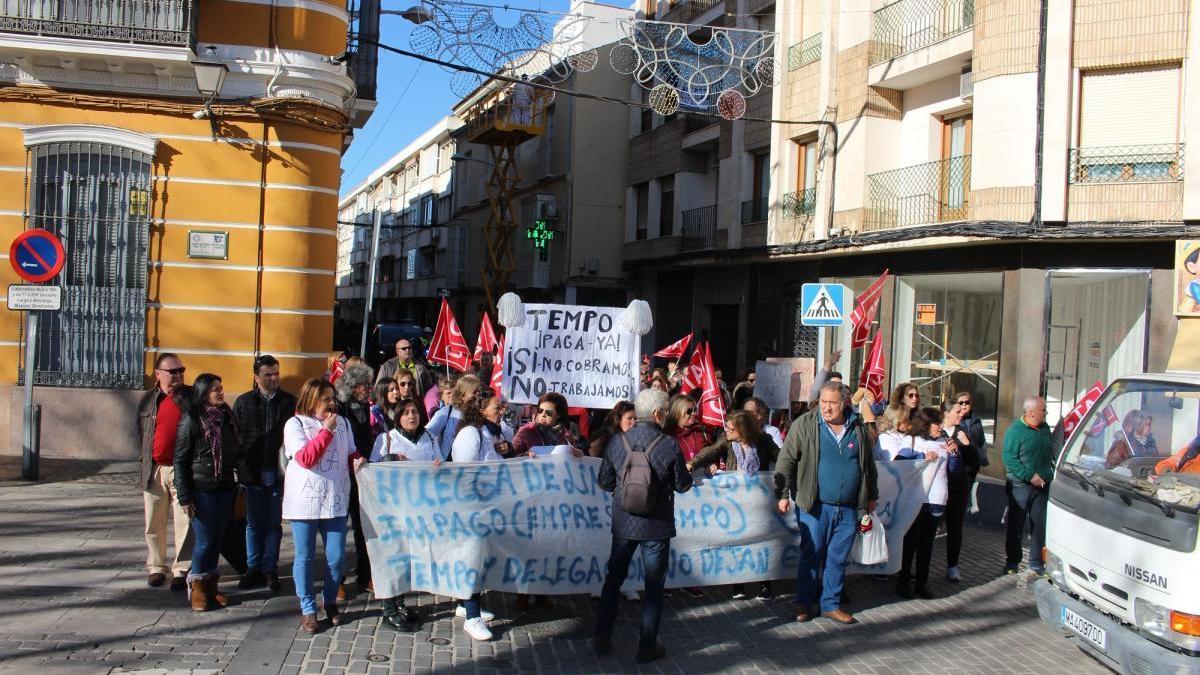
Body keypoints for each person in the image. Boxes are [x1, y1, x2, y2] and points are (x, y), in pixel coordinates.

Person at [593, 388, 693, 664]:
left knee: (613, 580)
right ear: (659, 414)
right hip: (656, 526)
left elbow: (604, 483)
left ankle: (602, 636)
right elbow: (683, 485)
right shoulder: (670, 444)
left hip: (624, 523)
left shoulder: (617, 442)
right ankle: (646, 645)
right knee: (653, 587)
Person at [774, 381, 878, 625]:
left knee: (838, 557)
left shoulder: (858, 427)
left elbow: (869, 467)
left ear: (845, 403)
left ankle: (830, 604)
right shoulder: (806, 425)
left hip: (849, 507)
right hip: (815, 505)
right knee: (812, 554)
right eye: (823, 402)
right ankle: (803, 602)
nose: (827, 408)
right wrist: (782, 494)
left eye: (832, 403)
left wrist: (872, 495)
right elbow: (786, 461)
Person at [283, 378, 366, 633]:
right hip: (305, 502)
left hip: (335, 499)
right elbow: (307, 458)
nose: (332, 403)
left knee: (336, 557)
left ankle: (329, 600)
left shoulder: (344, 423)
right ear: (311, 400)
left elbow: (351, 451)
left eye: (333, 398)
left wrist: (358, 460)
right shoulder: (295, 424)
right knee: (305, 557)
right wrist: (326, 431)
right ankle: (308, 608)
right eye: (326, 399)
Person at [688, 410, 779, 601]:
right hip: (736, 501)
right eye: (726, 427)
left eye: (730, 428)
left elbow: (780, 457)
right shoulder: (727, 442)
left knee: (762, 540)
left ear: (743, 429)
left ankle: (765, 584)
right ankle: (739, 583)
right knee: (738, 541)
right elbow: (710, 451)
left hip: (759, 500)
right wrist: (693, 464)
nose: (726, 430)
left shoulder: (763, 440)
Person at [370, 398, 440, 632]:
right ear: (398, 416)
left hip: (419, 508)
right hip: (393, 509)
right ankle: (388, 610)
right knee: (392, 558)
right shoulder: (387, 439)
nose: (412, 416)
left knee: (408, 559)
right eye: (406, 412)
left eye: (415, 412)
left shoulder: (429, 438)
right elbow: (371, 470)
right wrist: (390, 460)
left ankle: (400, 603)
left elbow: (438, 464)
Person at [173, 373, 241, 612]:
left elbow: (236, 451)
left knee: (218, 539)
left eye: (221, 388)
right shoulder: (191, 420)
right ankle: (197, 588)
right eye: (215, 389)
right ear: (203, 393)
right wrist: (184, 495)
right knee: (204, 540)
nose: (220, 392)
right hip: (201, 489)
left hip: (224, 487)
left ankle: (211, 586)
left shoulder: (228, 417)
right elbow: (180, 460)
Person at [232, 355, 297, 593]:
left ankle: (270, 568)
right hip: (252, 472)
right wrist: (240, 466)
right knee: (253, 523)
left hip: (279, 472)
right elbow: (236, 437)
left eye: (276, 373)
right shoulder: (244, 402)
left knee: (273, 523)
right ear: (256, 377)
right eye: (268, 375)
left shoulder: (289, 402)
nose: (273, 378)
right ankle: (253, 567)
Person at [138, 353, 194, 590]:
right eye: (173, 372)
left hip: (182, 469)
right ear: (158, 374)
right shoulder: (148, 400)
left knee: (185, 520)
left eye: (181, 371)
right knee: (153, 520)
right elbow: (140, 430)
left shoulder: (192, 397)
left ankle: (182, 568)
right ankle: (156, 566)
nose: (178, 375)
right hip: (154, 468)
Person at [449, 395, 502, 641]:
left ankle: (465, 602)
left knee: (477, 557)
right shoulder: (470, 434)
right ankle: (472, 617)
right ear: (481, 410)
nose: (500, 411)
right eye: (495, 407)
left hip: (484, 504)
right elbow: (464, 472)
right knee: (472, 558)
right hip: (470, 506)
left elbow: (495, 463)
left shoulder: (487, 432)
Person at [895, 407, 952, 600]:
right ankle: (903, 581)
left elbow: (953, 470)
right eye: (937, 423)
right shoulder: (912, 441)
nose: (941, 427)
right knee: (910, 541)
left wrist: (956, 454)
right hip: (916, 498)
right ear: (926, 424)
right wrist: (921, 458)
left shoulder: (944, 442)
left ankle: (922, 583)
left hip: (937, 499)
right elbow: (899, 464)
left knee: (927, 544)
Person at [1002, 396, 1054, 576]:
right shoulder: (1015, 431)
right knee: (1016, 524)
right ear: (1031, 413)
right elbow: (1009, 458)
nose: (1046, 413)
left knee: (1039, 524)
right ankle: (1012, 562)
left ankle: (1036, 562)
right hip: (1020, 486)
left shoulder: (1045, 429)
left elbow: (1050, 455)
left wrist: (1047, 475)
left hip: (1042, 486)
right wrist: (1029, 475)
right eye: (1043, 410)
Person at [336, 363, 376, 597]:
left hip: (362, 473)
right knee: (339, 529)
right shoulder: (340, 407)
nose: (369, 390)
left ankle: (365, 573)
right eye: (365, 386)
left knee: (363, 526)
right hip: (342, 474)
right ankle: (337, 578)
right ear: (354, 387)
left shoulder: (365, 406)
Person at [945, 392, 986, 582]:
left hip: (958, 487)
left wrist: (967, 445)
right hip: (938, 487)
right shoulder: (937, 431)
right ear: (946, 413)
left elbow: (975, 459)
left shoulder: (964, 431)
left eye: (962, 409)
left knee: (954, 527)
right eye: (956, 410)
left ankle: (952, 565)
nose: (960, 413)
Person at [427, 374, 482, 457]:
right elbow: (426, 436)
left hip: (474, 466)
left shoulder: (480, 414)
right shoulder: (445, 412)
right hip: (449, 467)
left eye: (479, 392)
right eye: (474, 392)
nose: (478, 395)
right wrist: (435, 457)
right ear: (462, 395)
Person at [513, 392, 584, 456]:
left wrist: (577, 456)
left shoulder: (567, 436)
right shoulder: (526, 431)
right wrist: (525, 456)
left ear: (558, 415)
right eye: (540, 410)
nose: (543, 415)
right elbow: (511, 457)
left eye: (548, 412)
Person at [662, 394, 710, 462]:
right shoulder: (666, 435)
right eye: (689, 411)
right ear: (677, 413)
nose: (693, 413)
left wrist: (712, 464)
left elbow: (712, 453)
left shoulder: (701, 430)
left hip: (704, 471)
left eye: (695, 410)